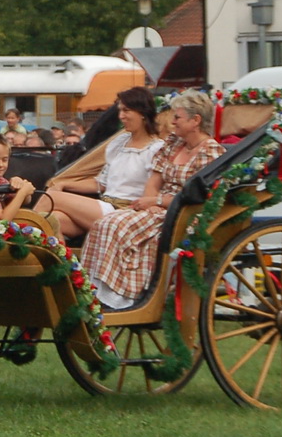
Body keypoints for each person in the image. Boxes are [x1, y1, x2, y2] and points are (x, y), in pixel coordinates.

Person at [81, 90, 224, 310]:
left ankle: (120, 295)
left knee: (113, 225)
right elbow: (154, 180)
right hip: (156, 206)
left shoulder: (211, 152)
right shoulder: (174, 144)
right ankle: (95, 290)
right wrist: (149, 200)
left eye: (177, 117)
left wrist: (157, 201)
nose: (172, 122)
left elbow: (198, 197)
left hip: (182, 212)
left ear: (195, 121)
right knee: (105, 223)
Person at [43, 87, 165, 241]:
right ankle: (65, 263)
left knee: (49, 198)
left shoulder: (156, 149)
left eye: (126, 111)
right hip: (105, 206)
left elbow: (152, 191)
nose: (121, 116)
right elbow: (100, 183)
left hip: (127, 211)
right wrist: (63, 184)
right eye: (120, 111)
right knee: (50, 219)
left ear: (142, 113)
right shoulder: (119, 143)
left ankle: (17, 233)